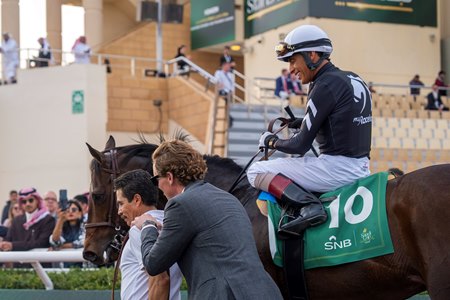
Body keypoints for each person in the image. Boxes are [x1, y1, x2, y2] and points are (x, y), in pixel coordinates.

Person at [247, 24, 371, 234]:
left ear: (313, 55)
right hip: (361, 166)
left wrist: (271, 141)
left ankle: (308, 206)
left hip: (336, 169)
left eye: (294, 60)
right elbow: (340, 119)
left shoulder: (323, 85)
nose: (291, 69)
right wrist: (302, 122)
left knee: (256, 170)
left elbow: (300, 146)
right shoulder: (352, 77)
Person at [133, 140, 283, 299]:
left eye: (156, 179)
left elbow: (153, 264)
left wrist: (147, 226)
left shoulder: (179, 204)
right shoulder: (229, 199)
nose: (157, 186)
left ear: (169, 177)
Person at [114, 169, 182, 300]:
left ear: (137, 199)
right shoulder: (173, 225)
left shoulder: (139, 230)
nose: (119, 211)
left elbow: (160, 280)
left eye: (121, 203)